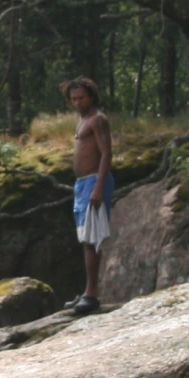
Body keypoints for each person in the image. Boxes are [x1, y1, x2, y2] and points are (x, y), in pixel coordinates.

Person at [65, 78, 112, 314]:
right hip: (81, 184)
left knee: (92, 240)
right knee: (85, 239)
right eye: (73, 99)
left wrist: (98, 188)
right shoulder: (82, 120)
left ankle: (92, 294)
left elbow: (106, 154)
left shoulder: (98, 120)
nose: (77, 102)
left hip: (94, 181)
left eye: (81, 98)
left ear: (91, 96)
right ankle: (87, 290)